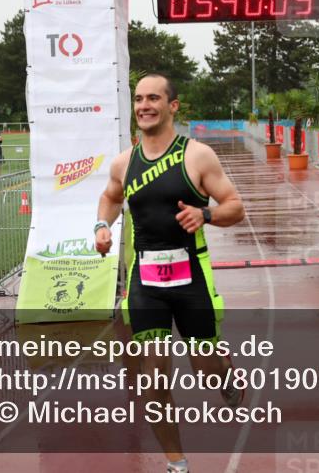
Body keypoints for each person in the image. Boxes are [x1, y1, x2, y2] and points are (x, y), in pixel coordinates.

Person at [94, 74, 246, 473]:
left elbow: (235, 206)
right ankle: (177, 464)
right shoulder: (124, 162)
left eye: (154, 98)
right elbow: (110, 197)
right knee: (153, 378)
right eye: (139, 99)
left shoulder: (196, 156)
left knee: (208, 376)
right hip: (145, 283)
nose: (144, 105)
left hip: (192, 277)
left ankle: (223, 370)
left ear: (172, 106)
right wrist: (101, 226)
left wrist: (206, 213)